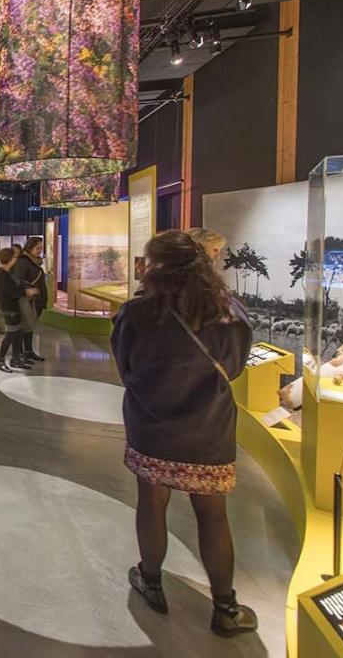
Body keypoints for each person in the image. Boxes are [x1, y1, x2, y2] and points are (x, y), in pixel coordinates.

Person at [112, 230, 257, 637]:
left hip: (152, 425)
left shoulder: (136, 313)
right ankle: (225, 607)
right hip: (208, 428)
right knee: (212, 513)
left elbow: (126, 369)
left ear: (155, 265)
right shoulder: (230, 312)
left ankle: (151, 581)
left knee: (152, 503)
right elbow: (236, 368)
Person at [11, 236, 47, 363]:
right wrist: (29, 289)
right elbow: (17, 280)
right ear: (30, 247)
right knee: (23, 327)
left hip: (35, 301)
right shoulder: (23, 262)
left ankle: (28, 351)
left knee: (29, 327)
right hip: (27, 301)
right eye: (38, 248)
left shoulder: (34, 262)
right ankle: (20, 354)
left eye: (41, 248)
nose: (40, 251)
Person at [0, 248, 30, 372]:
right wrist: (26, 291)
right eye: (14, 258)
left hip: (13, 306)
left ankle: (16, 359)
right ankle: (0, 360)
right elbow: (11, 291)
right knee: (10, 334)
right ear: (10, 259)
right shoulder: (0, 273)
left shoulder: (4, 272)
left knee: (17, 333)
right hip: (9, 307)